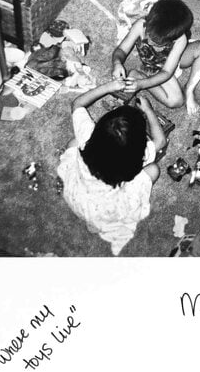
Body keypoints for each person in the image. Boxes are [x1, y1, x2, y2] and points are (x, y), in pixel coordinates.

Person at [56, 78, 167, 255]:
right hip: (109, 210)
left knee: (74, 142)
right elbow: (160, 141)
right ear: (138, 149)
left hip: (78, 196)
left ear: (99, 127)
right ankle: (99, 222)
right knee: (153, 170)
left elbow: (77, 103)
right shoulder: (139, 156)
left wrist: (110, 87)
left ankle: (92, 220)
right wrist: (148, 110)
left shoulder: (88, 135)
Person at [110, 0, 200, 115]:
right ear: (149, 21)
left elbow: (167, 72)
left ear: (173, 37)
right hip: (155, 67)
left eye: (156, 42)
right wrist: (117, 63)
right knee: (176, 102)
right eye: (149, 35)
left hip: (172, 62)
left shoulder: (180, 39)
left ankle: (189, 89)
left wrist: (141, 85)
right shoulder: (141, 25)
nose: (149, 42)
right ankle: (138, 75)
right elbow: (121, 50)